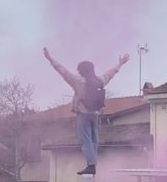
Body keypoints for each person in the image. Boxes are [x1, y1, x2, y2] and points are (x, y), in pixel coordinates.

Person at [43, 47, 130, 175]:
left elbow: (62, 71)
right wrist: (121, 63)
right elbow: (110, 73)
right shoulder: (99, 81)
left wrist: (50, 59)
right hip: (95, 114)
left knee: (86, 139)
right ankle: (93, 162)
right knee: (94, 139)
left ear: (81, 71)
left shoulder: (78, 81)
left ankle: (91, 164)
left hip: (83, 113)